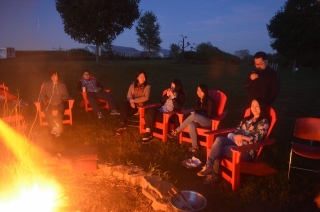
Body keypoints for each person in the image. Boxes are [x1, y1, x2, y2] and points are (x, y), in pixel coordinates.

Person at [197, 98, 269, 184]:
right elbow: (238, 129)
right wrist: (236, 137)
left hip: (246, 150)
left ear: (262, 107)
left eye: (257, 106)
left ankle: (214, 174)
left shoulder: (263, 122)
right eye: (252, 106)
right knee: (219, 140)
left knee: (217, 149)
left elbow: (257, 139)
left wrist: (242, 137)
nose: (254, 108)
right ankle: (209, 166)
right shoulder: (247, 119)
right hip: (236, 142)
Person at [168, 84, 216, 152]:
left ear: (205, 92)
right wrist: (196, 115)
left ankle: (177, 131)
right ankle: (195, 146)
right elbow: (196, 110)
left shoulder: (210, 101)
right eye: (198, 90)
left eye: (201, 91)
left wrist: (197, 116)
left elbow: (209, 115)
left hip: (208, 122)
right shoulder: (198, 100)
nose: (199, 93)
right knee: (191, 125)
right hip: (199, 121)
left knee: (194, 116)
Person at [142, 79, 185, 144]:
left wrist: (173, 97)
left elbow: (178, 107)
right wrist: (167, 95)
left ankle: (148, 133)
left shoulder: (180, 95)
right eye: (171, 86)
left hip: (167, 114)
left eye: (173, 86)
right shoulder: (168, 92)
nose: (171, 88)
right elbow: (161, 102)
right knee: (149, 110)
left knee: (147, 115)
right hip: (161, 110)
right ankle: (148, 132)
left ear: (177, 87)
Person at [116, 71, 151, 135]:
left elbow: (146, 98)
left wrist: (134, 101)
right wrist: (131, 102)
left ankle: (121, 124)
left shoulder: (147, 87)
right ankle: (122, 124)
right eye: (141, 77)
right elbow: (129, 96)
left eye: (144, 77)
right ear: (137, 77)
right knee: (124, 104)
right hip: (130, 104)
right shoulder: (132, 86)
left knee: (124, 112)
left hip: (138, 106)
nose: (143, 78)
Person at [40, 71, 69, 137]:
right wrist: (46, 100)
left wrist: (61, 100)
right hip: (50, 103)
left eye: (56, 76)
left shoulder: (62, 85)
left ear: (58, 77)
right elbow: (42, 95)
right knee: (47, 111)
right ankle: (54, 127)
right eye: (53, 76)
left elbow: (66, 95)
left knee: (60, 111)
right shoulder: (46, 85)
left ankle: (57, 128)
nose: (55, 77)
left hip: (59, 102)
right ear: (51, 78)